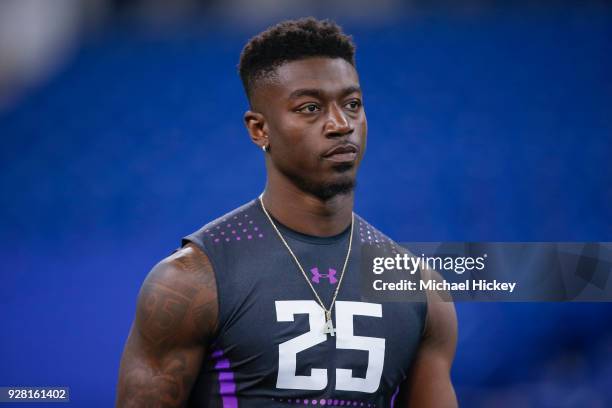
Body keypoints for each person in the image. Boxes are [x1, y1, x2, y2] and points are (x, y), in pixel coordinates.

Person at [116, 17, 457, 407]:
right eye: (310, 108)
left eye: (353, 104)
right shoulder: (192, 281)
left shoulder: (419, 288)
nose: (340, 124)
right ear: (259, 130)